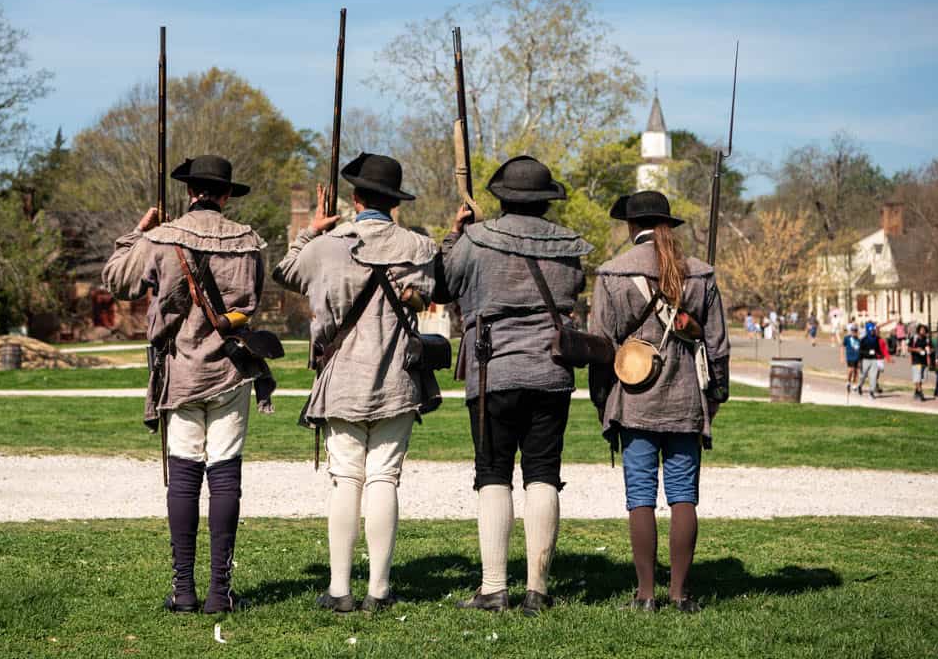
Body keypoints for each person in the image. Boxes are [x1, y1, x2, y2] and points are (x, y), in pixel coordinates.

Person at [102, 155, 269, 614]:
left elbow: (117, 280)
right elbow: (254, 301)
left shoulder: (161, 239)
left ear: (189, 192)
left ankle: (184, 590)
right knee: (225, 475)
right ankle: (219, 592)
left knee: (184, 478)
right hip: (232, 371)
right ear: (227, 194)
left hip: (180, 372)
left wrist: (138, 233)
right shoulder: (251, 243)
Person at [273, 153, 439, 614]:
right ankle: (379, 590)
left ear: (354, 197)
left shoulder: (324, 247)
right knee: (385, 477)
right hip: (396, 378)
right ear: (394, 202)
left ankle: (340, 588)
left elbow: (284, 271)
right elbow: (431, 290)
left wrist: (311, 230)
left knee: (346, 478)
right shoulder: (419, 247)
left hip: (341, 375)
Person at [438, 156, 592, 616]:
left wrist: (457, 232)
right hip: (551, 370)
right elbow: (574, 289)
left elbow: (443, 284)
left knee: (493, 474)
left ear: (502, 196)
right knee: (543, 473)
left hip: (494, 371)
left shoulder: (475, 240)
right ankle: (537, 590)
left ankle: (494, 587)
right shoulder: (569, 245)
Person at [589, 191, 730, 613]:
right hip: (686, 399)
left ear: (632, 227)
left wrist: (604, 402)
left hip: (634, 402)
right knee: (684, 495)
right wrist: (715, 395)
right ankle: (681, 594)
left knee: (641, 496)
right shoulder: (701, 274)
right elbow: (717, 346)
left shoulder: (612, 273)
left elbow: (601, 348)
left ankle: (646, 594)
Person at [856, 322, 881, 398]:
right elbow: (860, 351)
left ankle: (871, 392)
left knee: (873, 376)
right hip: (865, 360)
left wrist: (879, 354)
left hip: (874, 360)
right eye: (871, 330)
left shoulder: (876, 339)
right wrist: (860, 361)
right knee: (863, 375)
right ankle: (859, 386)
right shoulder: (863, 340)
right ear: (868, 330)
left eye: (873, 330)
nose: (873, 331)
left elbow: (878, 349)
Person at [907, 324, 931, 401]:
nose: (923, 331)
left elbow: (931, 349)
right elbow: (908, 348)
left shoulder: (927, 340)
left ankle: (916, 392)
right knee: (917, 378)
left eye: (924, 330)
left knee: (921, 379)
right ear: (918, 330)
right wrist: (916, 350)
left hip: (924, 361)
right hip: (916, 361)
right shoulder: (914, 338)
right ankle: (920, 393)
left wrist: (929, 350)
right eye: (921, 329)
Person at [843, 323, 862, 393]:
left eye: (855, 331)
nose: (854, 332)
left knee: (856, 371)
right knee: (850, 370)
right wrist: (842, 357)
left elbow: (860, 349)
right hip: (850, 357)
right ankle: (848, 381)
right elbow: (842, 346)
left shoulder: (859, 340)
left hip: (857, 357)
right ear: (851, 331)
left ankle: (854, 384)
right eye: (853, 331)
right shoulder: (847, 338)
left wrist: (860, 359)